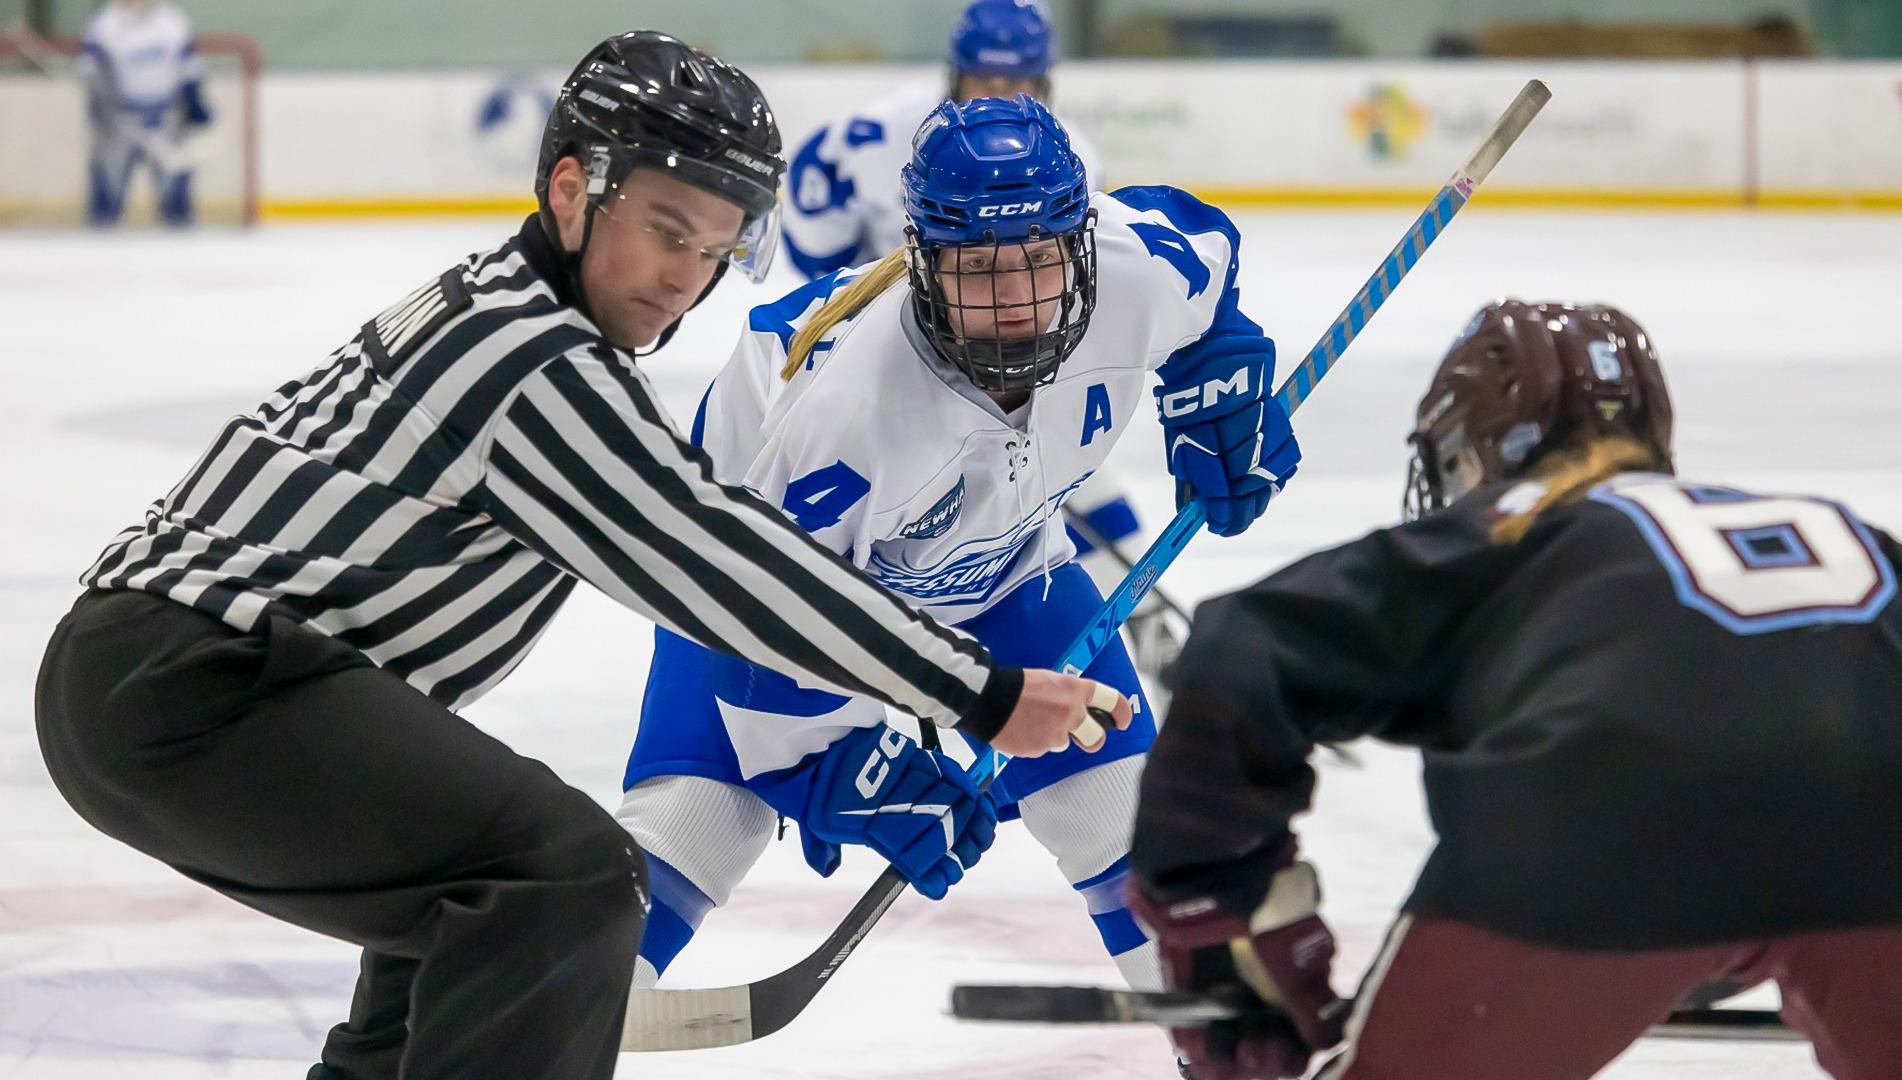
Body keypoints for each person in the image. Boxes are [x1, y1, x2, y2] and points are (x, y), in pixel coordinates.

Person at [33, 32, 1128, 1080]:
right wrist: (977, 691)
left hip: (176, 678)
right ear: (572, 190)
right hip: (195, 685)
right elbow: (712, 555)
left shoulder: (510, 313)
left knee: (461, 904)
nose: (685, 278)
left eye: (714, 251)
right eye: (667, 231)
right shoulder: (535, 362)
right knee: (567, 877)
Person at [616, 94, 1300, 1012]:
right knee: (697, 827)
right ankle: (532, 1032)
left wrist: (1217, 368)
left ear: (1080, 244)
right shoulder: (846, 418)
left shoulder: (1132, 270)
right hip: (747, 583)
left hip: (1010, 574)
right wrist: (827, 764)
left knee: (1129, 828)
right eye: (978, 267)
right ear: (924, 263)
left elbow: (1204, 251)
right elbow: (761, 613)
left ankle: (1232, 1059)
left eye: (1040, 258)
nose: (1016, 299)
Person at [1124, 299, 1902, 1080]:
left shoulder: (1506, 532)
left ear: (1475, 452)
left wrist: (1217, 915)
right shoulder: (1855, 535)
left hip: (1601, 843)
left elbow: (1241, 646)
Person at [782, 0, 1176, 682]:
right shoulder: (879, 133)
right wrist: (863, 304)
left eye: (1018, 80)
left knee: (1068, 474)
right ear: (953, 75)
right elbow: (812, 229)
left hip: (1007, 349)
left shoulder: (1070, 156)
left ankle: (1146, 619)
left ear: (1044, 82)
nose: (1000, 93)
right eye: (985, 79)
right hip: (896, 364)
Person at [77, 0, 213, 226]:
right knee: (106, 202)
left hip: (166, 121)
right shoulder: (103, 26)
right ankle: (100, 239)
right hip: (119, 125)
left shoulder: (172, 21)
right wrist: (103, 112)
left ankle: (180, 238)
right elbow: (91, 73)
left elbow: (189, 68)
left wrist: (194, 102)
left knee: (175, 200)